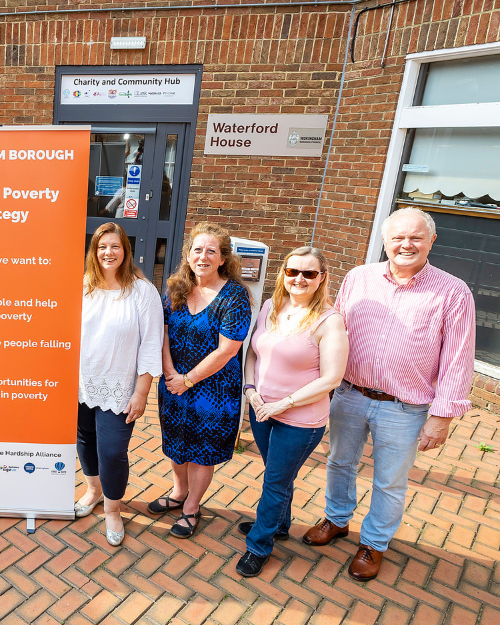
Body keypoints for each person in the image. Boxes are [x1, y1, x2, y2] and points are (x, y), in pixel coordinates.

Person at [304, 208, 475, 581]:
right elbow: (335, 330)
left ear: (432, 241)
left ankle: (374, 543)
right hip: (350, 394)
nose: (406, 244)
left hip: (405, 407)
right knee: (339, 463)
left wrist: (442, 416)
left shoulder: (453, 291)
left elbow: (458, 358)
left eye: (415, 237)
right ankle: (336, 520)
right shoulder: (358, 278)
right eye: (397, 237)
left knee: (390, 480)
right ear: (385, 240)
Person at [235, 247, 348, 577]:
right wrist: (251, 390)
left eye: (309, 273)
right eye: (292, 271)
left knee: (274, 482)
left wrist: (282, 404)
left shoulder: (330, 320)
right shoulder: (271, 307)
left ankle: (259, 546)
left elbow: (332, 377)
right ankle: (280, 525)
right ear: (283, 273)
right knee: (278, 474)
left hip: (300, 420)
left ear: (322, 278)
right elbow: (254, 354)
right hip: (262, 410)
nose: (299, 278)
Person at [151, 222, 252, 538]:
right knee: (176, 444)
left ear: (223, 258)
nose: (204, 257)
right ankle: (178, 491)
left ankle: (192, 506)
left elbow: (226, 351)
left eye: (212, 251)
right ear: (189, 255)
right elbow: (164, 332)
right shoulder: (176, 287)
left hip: (213, 389)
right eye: (198, 250)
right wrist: (170, 374)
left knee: (201, 451)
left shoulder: (234, 296)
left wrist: (187, 380)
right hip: (174, 384)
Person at [75, 223, 163, 546]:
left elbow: (151, 344)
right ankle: (93, 490)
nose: (108, 253)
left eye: (114, 246)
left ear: (125, 251)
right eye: (101, 247)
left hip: (120, 388)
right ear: (93, 253)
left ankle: (113, 509)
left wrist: (142, 391)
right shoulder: (83, 286)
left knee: (112, 451)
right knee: (84, 440)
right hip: (81, 384)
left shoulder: (142, 291)